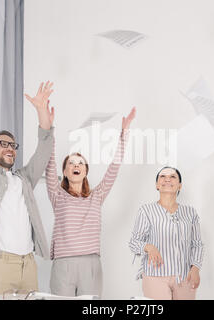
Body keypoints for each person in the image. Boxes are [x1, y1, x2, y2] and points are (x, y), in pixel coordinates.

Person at [0, 78, 55, 296]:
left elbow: (45, 147)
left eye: (13, 145)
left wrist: (42, 111)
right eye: (3, 144)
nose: (10, 148)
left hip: (28, 264)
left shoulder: (23, 178)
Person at [45, 107, 136, 297]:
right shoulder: (57, 194)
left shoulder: (96, 196)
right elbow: (49, 162)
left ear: (85, 171)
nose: (76, 165)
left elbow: (114, 169)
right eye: (71, 163)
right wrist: (49, 128)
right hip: (63, 264)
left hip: (91, 264)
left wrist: (124, 134)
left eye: (80, 163)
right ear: (65, 171)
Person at [129, 167, 204, 300]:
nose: (167, 179)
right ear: (157, 185)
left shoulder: (190, 212)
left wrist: (196, 268)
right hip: (155, 276)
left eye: (173, 177)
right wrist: (149, 247)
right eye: (162, 176)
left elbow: (197, 244)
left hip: (184, 277)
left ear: (180, 186)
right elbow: (134, 242)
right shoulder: (146, 211)